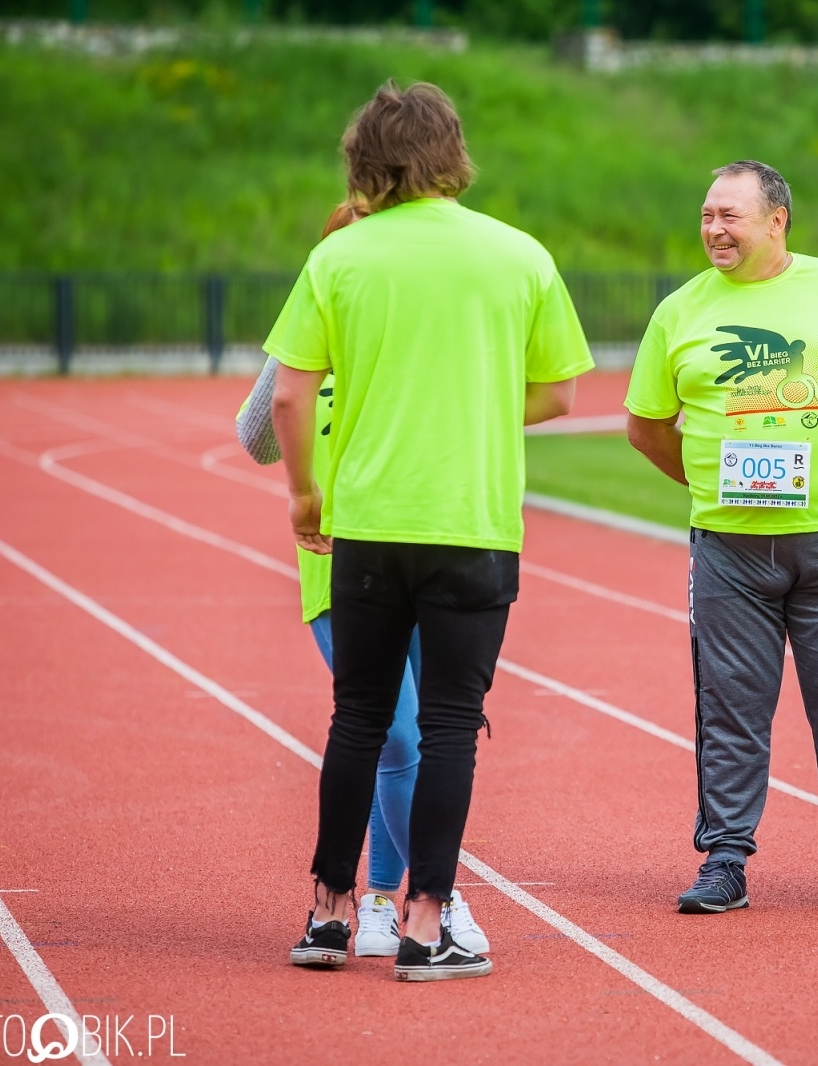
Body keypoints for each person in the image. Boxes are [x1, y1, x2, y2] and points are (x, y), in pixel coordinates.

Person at [267, 81, 592, 980]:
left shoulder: (339, 258)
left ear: (364, 158)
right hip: (471, 522)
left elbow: (288, 396)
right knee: (450, 726)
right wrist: (471, 408)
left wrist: (304, 497)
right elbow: (560, 394)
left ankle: (328, 914)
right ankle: (423, 925)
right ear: (454, 153)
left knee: (358, 720)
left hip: (368, 522)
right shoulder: (520, 255)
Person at [625, 160, 818, 915]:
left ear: (776, 220)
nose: (714, 229)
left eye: (730, 215)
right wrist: (708, 485)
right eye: (707, 215)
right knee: (730, 707)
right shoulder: (680, 311)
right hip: (727, 550)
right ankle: (724, 859)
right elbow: (646, 426)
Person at [235, 198, 489, 961]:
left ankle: (377, 902)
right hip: (338, 571)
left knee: (405, 739)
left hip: (425, 550)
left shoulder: (416, 340)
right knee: (396, 735)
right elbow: (256, 437)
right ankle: (436, 903)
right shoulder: (310, 344)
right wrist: (295, 359)